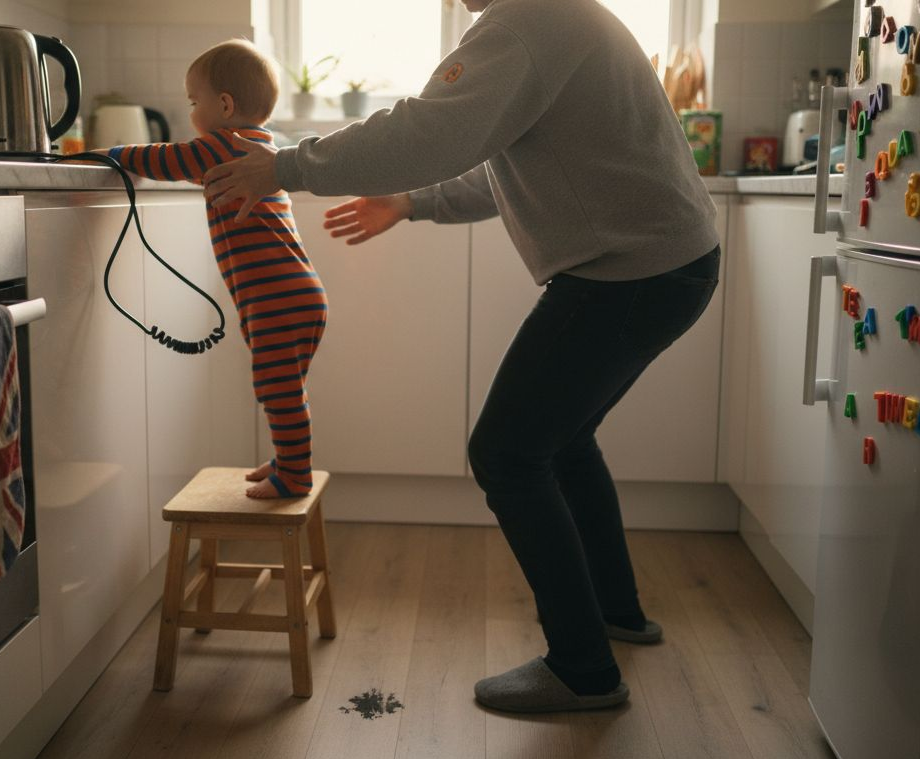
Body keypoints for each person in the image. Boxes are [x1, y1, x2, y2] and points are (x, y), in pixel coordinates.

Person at [202, 0, 721, 712]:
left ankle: (583, 670)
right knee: (563, 443)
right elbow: (505, 161)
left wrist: (287, 166)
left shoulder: (524, 22)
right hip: (664, 267)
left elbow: (431, 131)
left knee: (507, 454)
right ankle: (616, 613)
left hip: (626, 275)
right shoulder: (554, 17)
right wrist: (411, 204)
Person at [98, 40, 326, 499]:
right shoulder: (264, 146)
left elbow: (165, 159)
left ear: (224, 105)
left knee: (277, 388)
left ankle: (295, 475)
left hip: (274, 298)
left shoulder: (223, 146)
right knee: (284, 386)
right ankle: (287, 460)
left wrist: (115, 153)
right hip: (296, 293)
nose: (190, 112)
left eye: (193, 101)